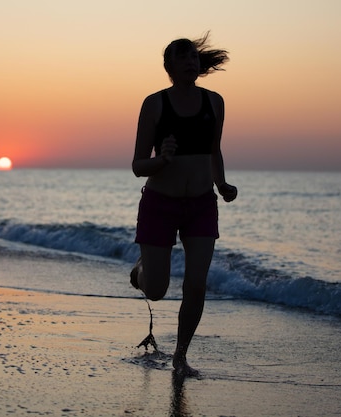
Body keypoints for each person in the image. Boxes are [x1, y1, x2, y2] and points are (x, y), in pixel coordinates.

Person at [130, 33, 238, 377]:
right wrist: (161, 159)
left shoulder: (215, 102)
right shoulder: (155, 104)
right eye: (183, 57)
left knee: (196, 284)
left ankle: (180, 356)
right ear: (169, 66)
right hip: (160, 204)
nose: (192, 61)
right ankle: (141, 270)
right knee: (158, 290)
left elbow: (214, 151)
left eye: (194, 56)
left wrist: (221, 184)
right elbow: (137, 165)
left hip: (202, 206)